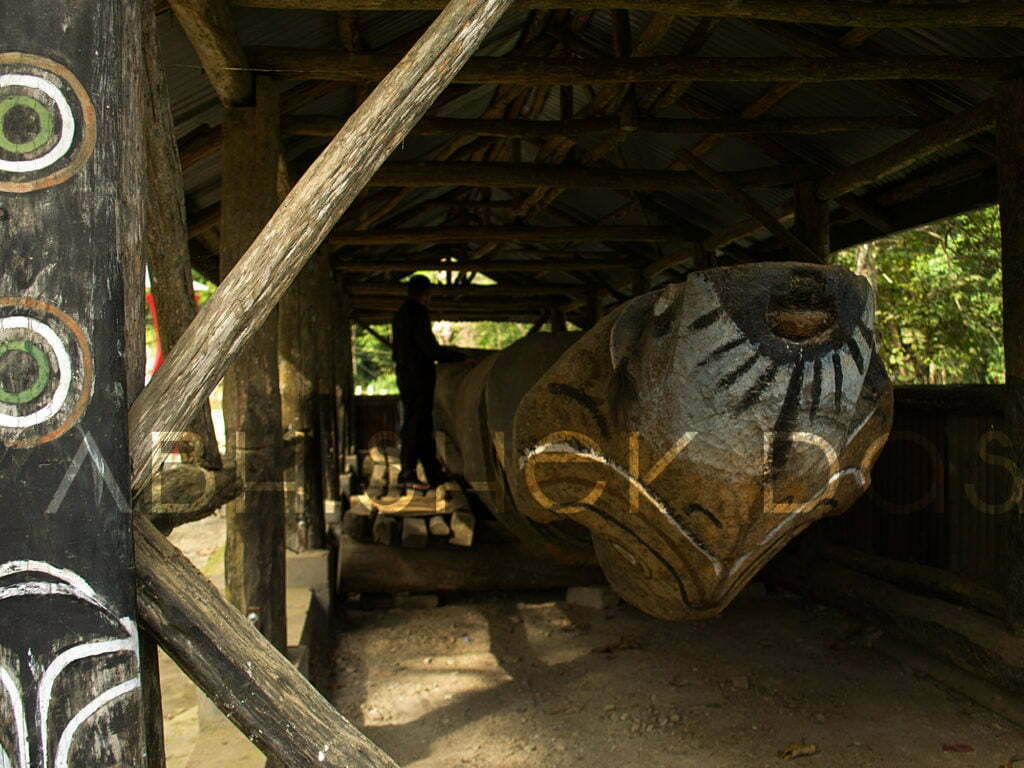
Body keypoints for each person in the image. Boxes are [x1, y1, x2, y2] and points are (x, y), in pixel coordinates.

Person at [391, 275, 466, 492]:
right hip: (417, 377)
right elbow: (430, 349)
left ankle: (433, 473)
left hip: (408, 375)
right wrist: (459, 357)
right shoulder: (416, 312)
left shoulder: (401, 314)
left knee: (422, 425)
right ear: (426, 293)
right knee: (415, 424)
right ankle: (407, 473)